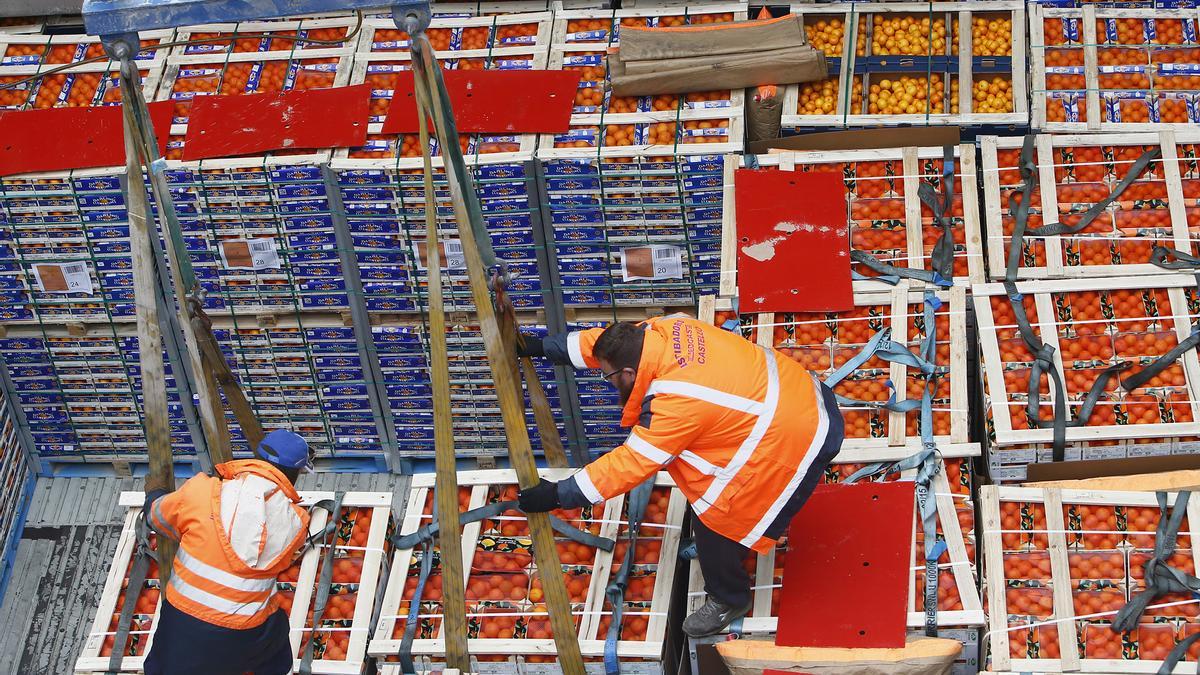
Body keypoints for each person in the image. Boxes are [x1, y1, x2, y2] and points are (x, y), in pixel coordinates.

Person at [516, 317, 843, 637]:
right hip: (800, 396)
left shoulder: (675, 403)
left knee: (718, 512)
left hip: (797, 436)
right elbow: (607, 343)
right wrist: (545, 347)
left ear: (629, 374)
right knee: (703, 480)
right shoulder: (663, 329)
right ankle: (729, 549)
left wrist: (559, 495)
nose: (607, 381)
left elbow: (632, 463)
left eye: (609, 378)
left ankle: (729, 599)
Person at [142, 429, 315, 675]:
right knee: (276, 636)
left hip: (182, 624)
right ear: (297, 473)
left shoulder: (201, 491)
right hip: (244, 633)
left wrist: (155, 494)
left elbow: (156, 518)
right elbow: (278, 559)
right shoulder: (295, 523)